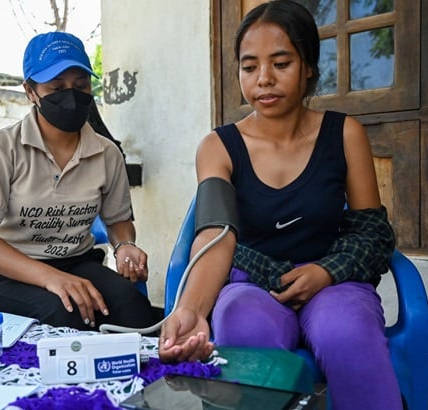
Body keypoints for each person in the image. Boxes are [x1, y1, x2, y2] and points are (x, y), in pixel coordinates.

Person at [158, 1, 402, 409]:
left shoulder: (345, 134)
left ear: (308, 67)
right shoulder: (218, 146)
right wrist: (192, 310)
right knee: (242, 326)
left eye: (281, 63)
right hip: (253, 285)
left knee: (347, 332)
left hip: (334, 284)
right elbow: (216, 234)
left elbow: (372, 232)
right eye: (249, 67)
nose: (264, 79)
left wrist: (326, 271)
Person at [0, 31, 156, 332]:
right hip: (6, 274)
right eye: (56, 87)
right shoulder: (1, 149)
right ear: (30, 92)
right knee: (65, 315)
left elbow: (118, 221)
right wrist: (50, 278)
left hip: (78, 264)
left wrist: (125, 245)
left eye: (81, 85)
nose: (71, 95)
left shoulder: (106, 153)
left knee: (133, 307)